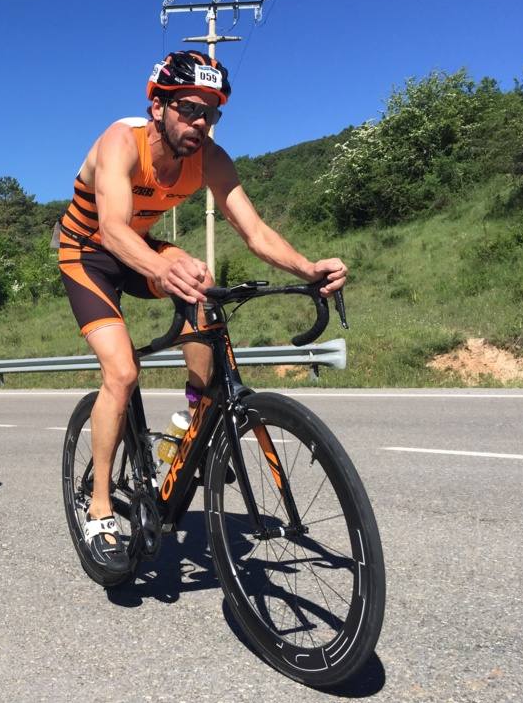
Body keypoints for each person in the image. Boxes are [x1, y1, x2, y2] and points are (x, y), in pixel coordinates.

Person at [56, 51, 347, 572]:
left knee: (201, 278)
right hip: (88, 253)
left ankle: (199, 413)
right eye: (189, 109)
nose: (200, 123)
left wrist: (309, 269)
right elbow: (114, 230)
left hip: (137, 248)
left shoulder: (209, 157)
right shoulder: (120, 142)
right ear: (158, 105)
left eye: (211, 113)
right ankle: (100, 506)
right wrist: (159, 270)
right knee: (121, 373)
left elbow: (255, 232)